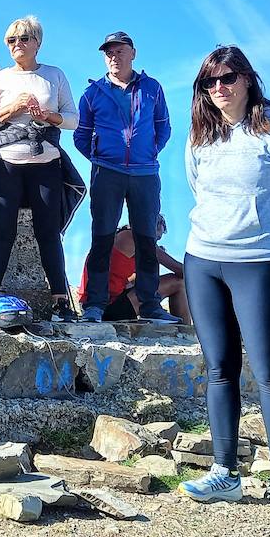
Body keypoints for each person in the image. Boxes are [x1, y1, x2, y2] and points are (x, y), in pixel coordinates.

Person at [178, 45, 270, 517]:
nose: (219, 88)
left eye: (228, 78)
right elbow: (199, 190)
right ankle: (225, 473)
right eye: (209, 82)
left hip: (262, 264)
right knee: (219, 369)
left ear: (248, 79)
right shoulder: (200, 138)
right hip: (203, 261)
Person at [0, 16, 84, 323]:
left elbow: (74, 119)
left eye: (24, 39)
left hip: (46, 162)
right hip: (5, 162)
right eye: (11, 41)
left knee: (48, 233)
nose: (17, 45)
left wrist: (48, 115)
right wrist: (12, 109)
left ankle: (61, 301)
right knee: (2, 232)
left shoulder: (54, 75)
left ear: (37, 42)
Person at [75, 31, 178, 325]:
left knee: (146, 238)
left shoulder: (152, 88)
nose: (113, 57)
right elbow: (81, 136)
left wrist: (147, 154)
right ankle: (94, 304)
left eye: (119, 51)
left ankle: (149, 304)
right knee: (102, 237)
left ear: (133, 53)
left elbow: (163, 127)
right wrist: (102, 159)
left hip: (145, 174)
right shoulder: (92, 93)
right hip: (107, 173)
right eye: (108, 52)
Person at [76, 215, 190, 325]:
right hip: (105, 306)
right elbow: (180, 270)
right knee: (178, 282)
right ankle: (186, 330)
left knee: (152, 285)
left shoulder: (120, 239)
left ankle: (182, 327)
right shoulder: (131, 237)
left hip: (94, 305)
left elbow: (133, 281)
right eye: (156, 237)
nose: (155, 242)